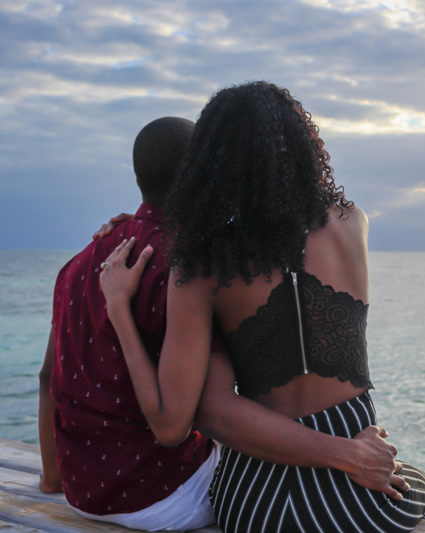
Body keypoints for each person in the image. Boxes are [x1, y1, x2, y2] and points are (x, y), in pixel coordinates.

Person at [39, 116, 405, 531]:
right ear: (206, 173)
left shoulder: (82, 263)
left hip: (82, 492)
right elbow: (192, 420)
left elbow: (47, 377)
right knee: (307, 474)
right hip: (162, 498)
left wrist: (51, 479)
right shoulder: (198, 267)